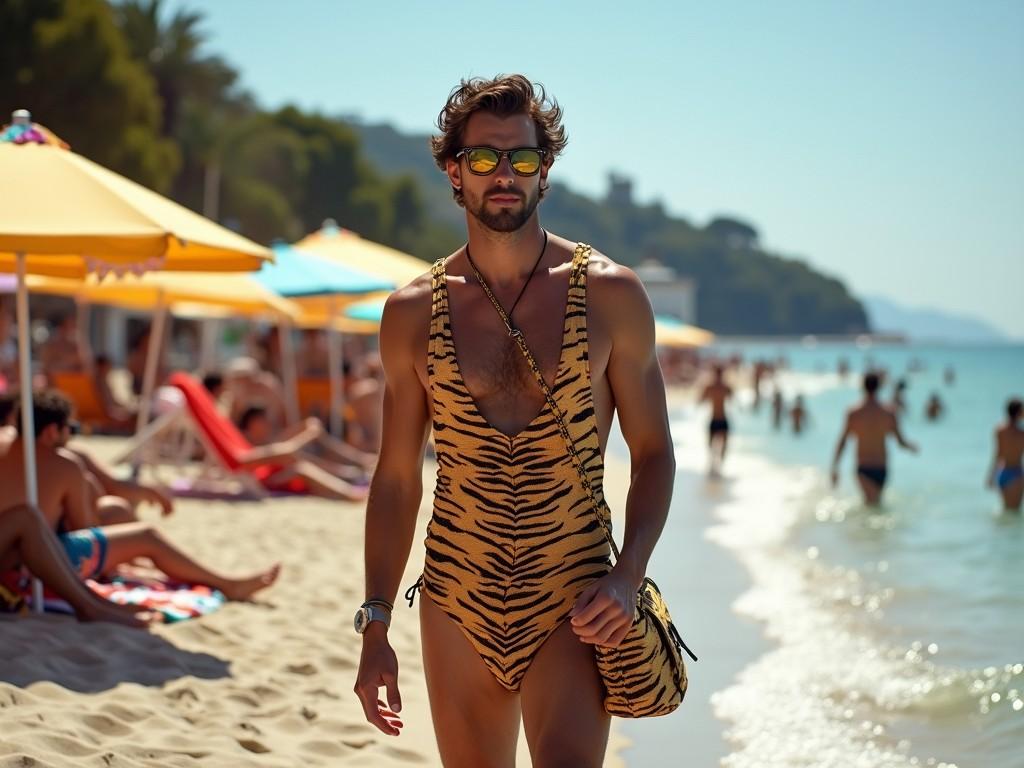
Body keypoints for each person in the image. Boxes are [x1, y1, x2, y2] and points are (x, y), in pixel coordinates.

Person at [353, 75, 676, 767]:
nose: (504, 174)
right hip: (456, 598)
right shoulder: (411, 312)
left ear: (544, 171)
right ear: (454, 171)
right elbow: (397, 478)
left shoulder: (611, 295)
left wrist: (628, 576)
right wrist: (375, 623)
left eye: (522, 159)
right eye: (484, 158)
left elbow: (653, 453)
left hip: (575, 599)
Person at [0, 390, 280, 600]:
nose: (71, 437)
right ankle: (228, 584)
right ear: (51, 432)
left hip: (10, 550)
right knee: (147, 536)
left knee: (116, 510)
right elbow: (87, 532)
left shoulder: (5, 443)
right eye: (69, 429)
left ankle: (155, 565)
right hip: (38, 565)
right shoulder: (64, 463)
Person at [1, 503, 150, 626]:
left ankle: (93, 601)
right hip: (74, 546)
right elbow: (85, 525)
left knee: (28, 518)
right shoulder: (67, 468)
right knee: (26, 517)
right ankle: (88, 605)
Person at [831, 372, 918, 506]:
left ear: (862, 387)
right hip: (882, 467)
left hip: (863, 467)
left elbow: (843, 441)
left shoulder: (854, 413)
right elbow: (900, 442)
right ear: (879, 387)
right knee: (874, 504)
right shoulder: (889, 412)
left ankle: (862, 526)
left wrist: (835, 466)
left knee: (873, 505)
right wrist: (911, 446)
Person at [987, 398, 1023, 512]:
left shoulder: (999, 430)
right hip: (1017, 474)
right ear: (1019, 413)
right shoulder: (1021, 434)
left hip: (1002, 472)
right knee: (1014, 512)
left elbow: (998, 454)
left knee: (1006, 510)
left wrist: (991, 475)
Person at [700, 363, 733, 475]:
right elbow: (700, 399)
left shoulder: (717, 387)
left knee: (721, 445)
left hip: (717, 419)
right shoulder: (721, 387)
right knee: (714, 445)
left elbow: (700, 400)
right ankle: (715, 466)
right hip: (720, 419)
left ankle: (717, 467)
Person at [39, 313, 85, 380]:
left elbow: (84, 365)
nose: (71, 330)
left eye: (73, 326)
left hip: (73, 382)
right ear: (61, 328)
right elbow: (47, 368)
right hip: (56, 383)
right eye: (68, 326)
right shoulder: (51, 346)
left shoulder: (77, 345)